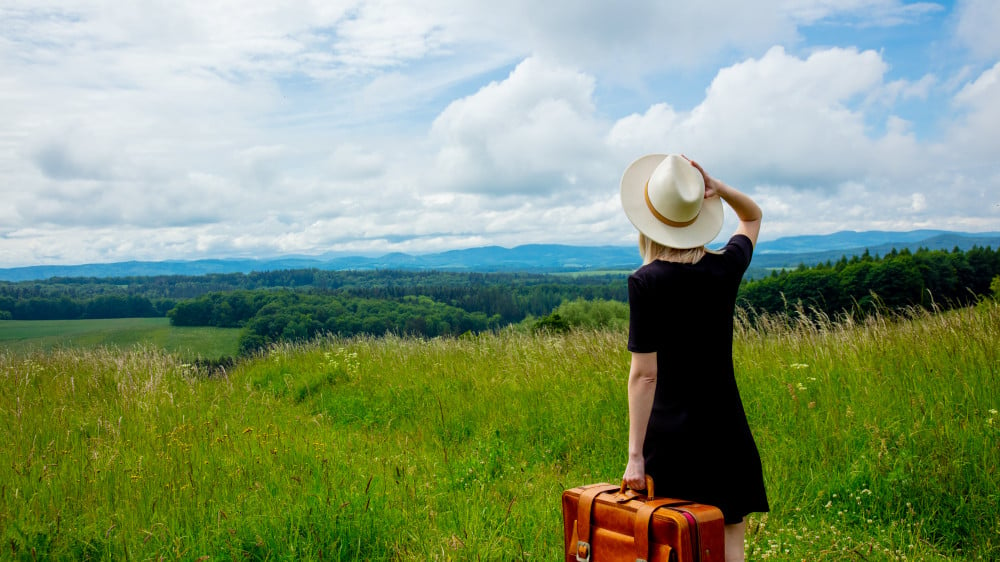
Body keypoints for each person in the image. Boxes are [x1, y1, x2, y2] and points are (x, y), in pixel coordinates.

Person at [618, 153, 769, 562]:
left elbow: (644, 377)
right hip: (726, 429)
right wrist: (718, 187)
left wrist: (635, 457)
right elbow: (752, 217)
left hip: (671, 439)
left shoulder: (645, 282)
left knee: (672, 542)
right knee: (729, 536)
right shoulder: (725, 267)